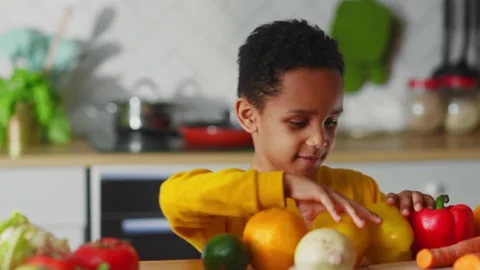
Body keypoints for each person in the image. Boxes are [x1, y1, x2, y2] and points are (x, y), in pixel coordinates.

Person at [159, 19, 434, 253]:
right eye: (298, 122)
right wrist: (283, 186)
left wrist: (412, 215)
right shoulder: (227, 207)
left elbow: (396, 250)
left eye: (331, 121)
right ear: (248, 116)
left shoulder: (360, 191)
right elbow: (171, 196)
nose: (320, 139)